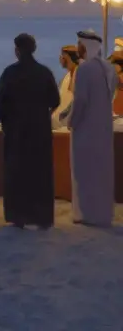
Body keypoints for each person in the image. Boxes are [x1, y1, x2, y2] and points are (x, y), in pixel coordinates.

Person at [0, 33, 61, 229]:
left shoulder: (10, 73)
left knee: (17, 173)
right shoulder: (44, 72)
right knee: (40, 173)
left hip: (16, 132)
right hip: (39, 132)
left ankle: (18, 216)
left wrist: (7, 123)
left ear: (17, 50)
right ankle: (42, 217)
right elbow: (55, 101)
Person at [68, 29, 118, 227]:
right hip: (103, 129)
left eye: (79, 45)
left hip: (86, 130)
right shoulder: (109, 68)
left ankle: (87, 213)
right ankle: (102, 213)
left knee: (85, 171)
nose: (77, 49)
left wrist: (72, 121)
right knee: (102, 171)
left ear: (86, 46)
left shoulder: (85, 69)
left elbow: (80, 100)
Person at [52, 45, 79, 130]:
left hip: (67, 123)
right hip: (58, 122)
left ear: (66, 57)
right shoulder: (66, 77)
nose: (60, 59)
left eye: (62, 56)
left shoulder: (78, 74)